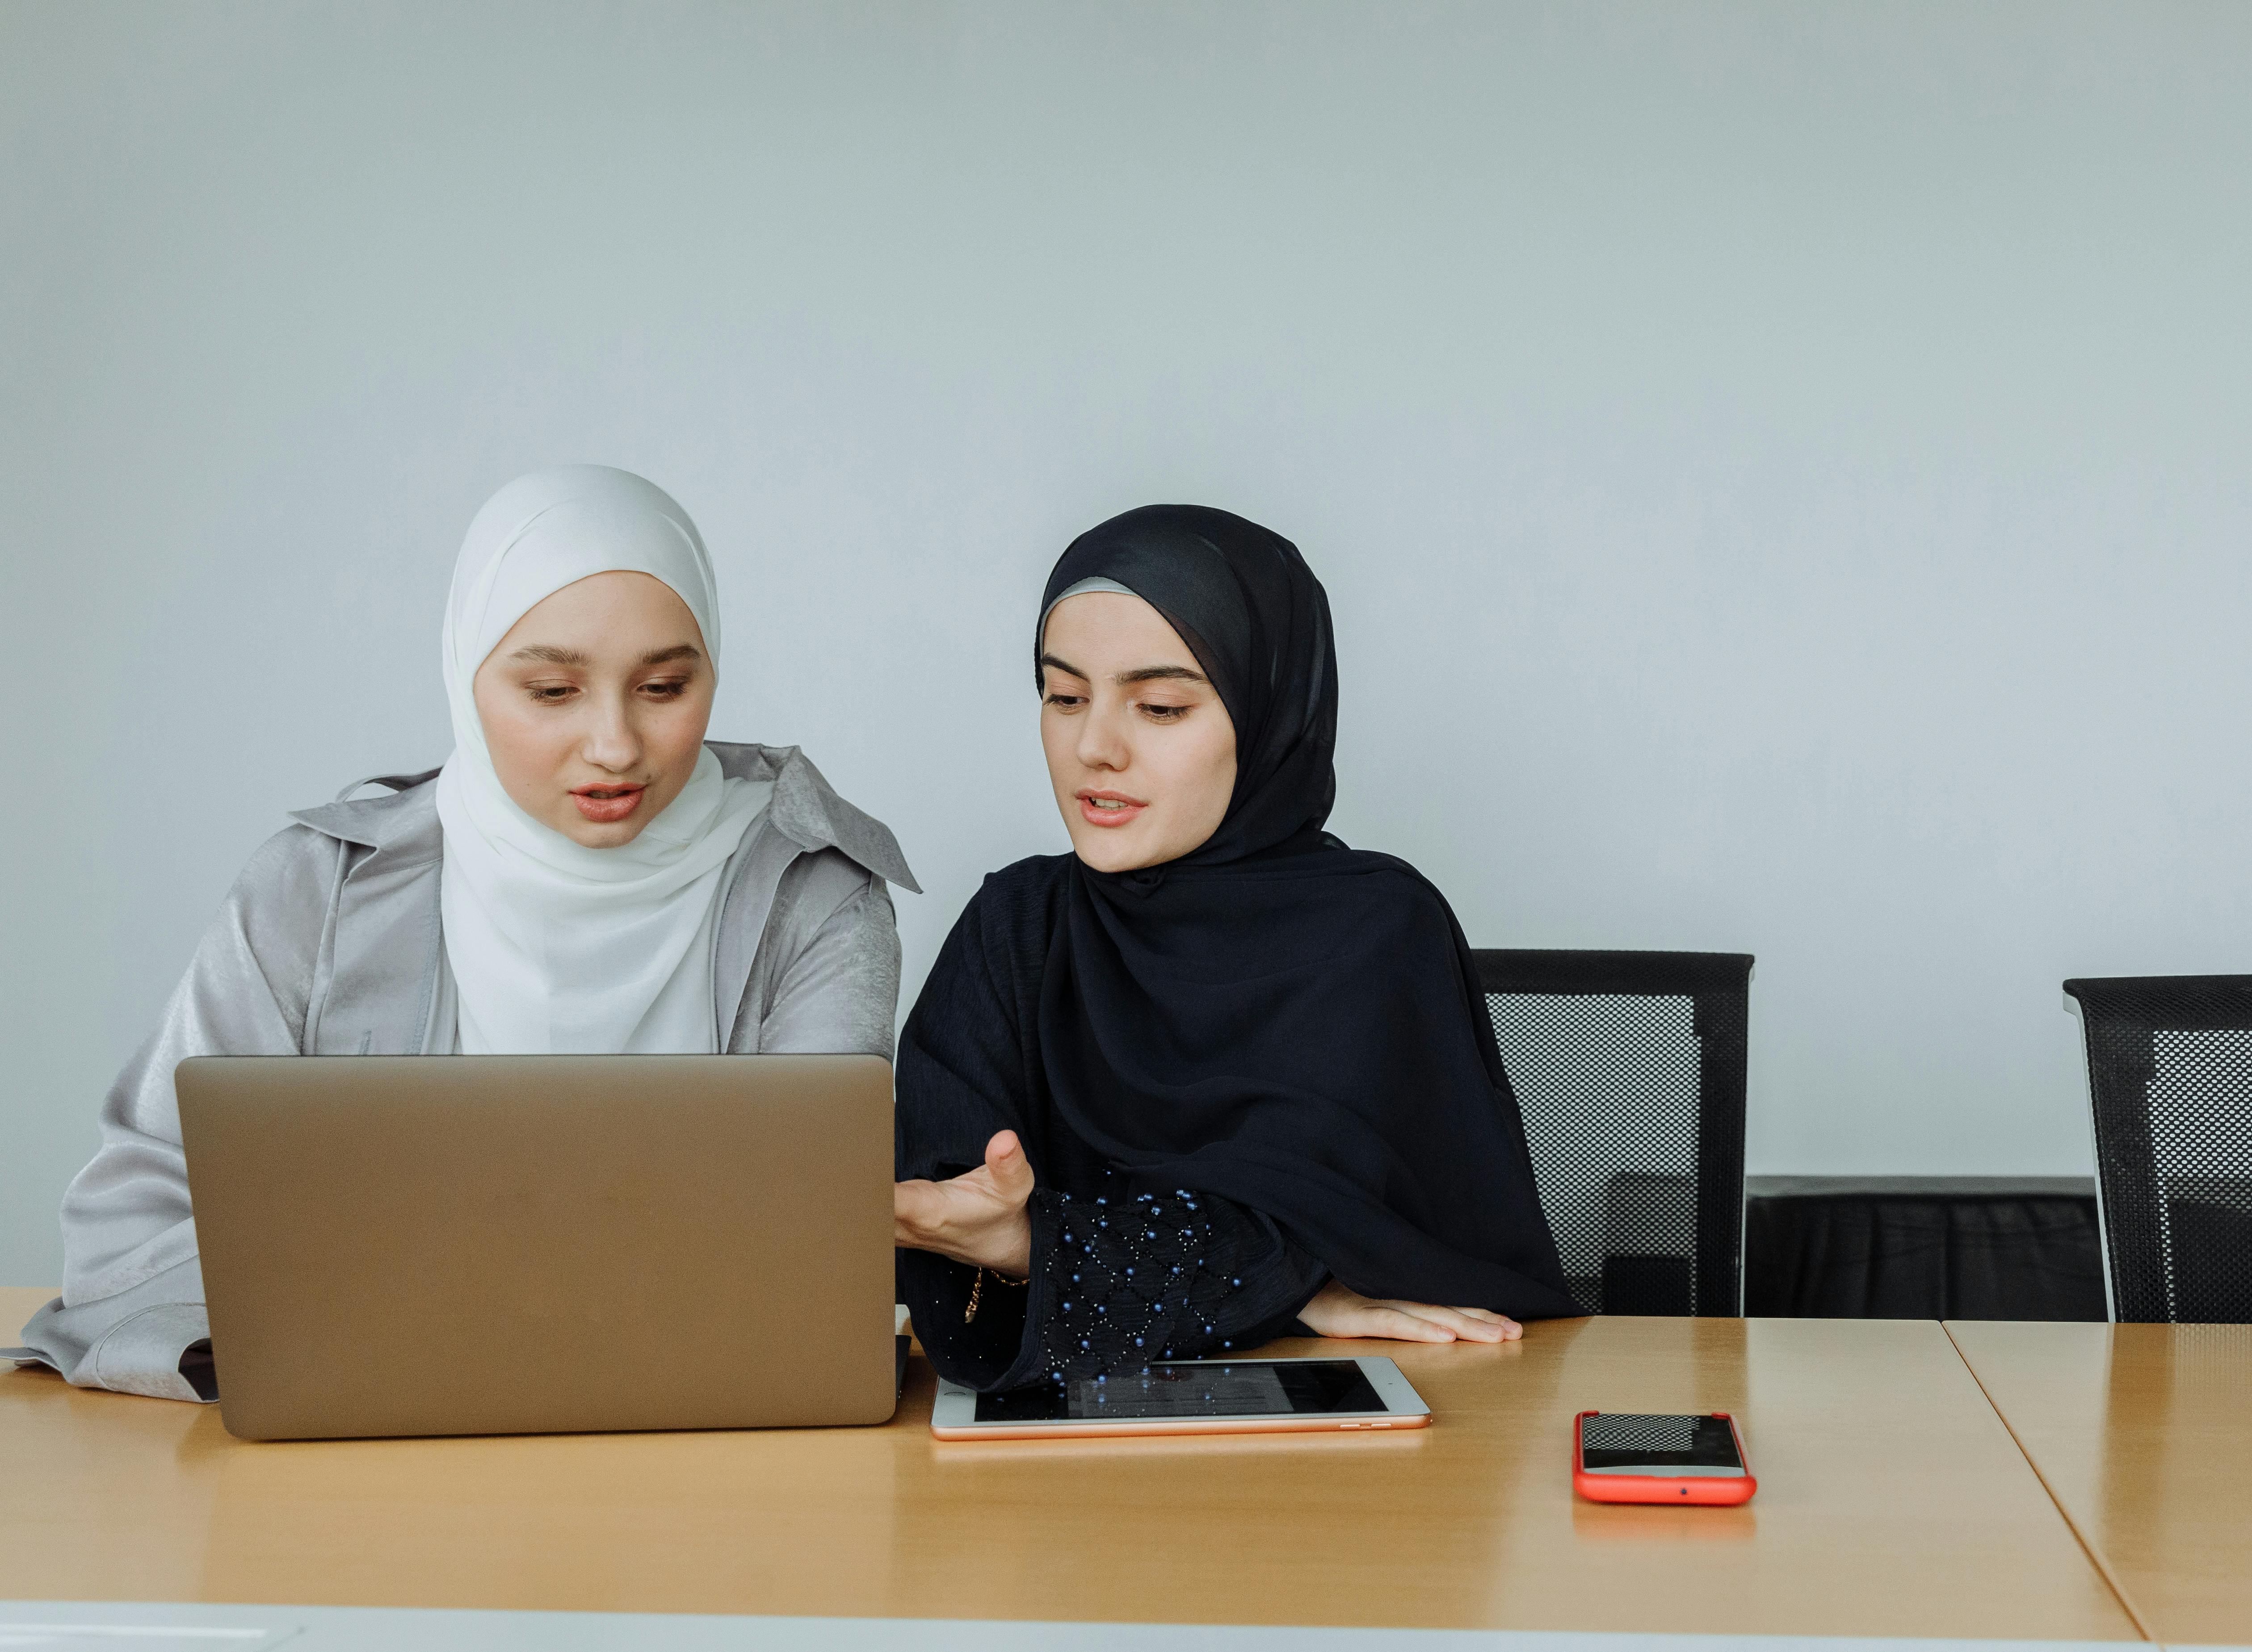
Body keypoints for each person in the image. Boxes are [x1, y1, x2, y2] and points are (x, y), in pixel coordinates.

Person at [11, 465, 915, 1401]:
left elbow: (805, 1244)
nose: (613, 743)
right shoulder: (317, 891)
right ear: (464, 672)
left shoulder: (811, 894)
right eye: (553, 690)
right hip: (368, 1445)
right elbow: (135, 1212)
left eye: (663, 685)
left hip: (698, 1439)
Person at [893, 504, 1577, 1392]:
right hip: (1055, 1481)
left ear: (1266, 720)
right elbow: (940, 1243)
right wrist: (1279, 1286)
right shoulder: (1017, 927)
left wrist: (1047, 1247)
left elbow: (1401, 1251)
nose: (1093, 747)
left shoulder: (1373, 932)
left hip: (1352, 1463)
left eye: (1161, 705)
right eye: (1062, 696)